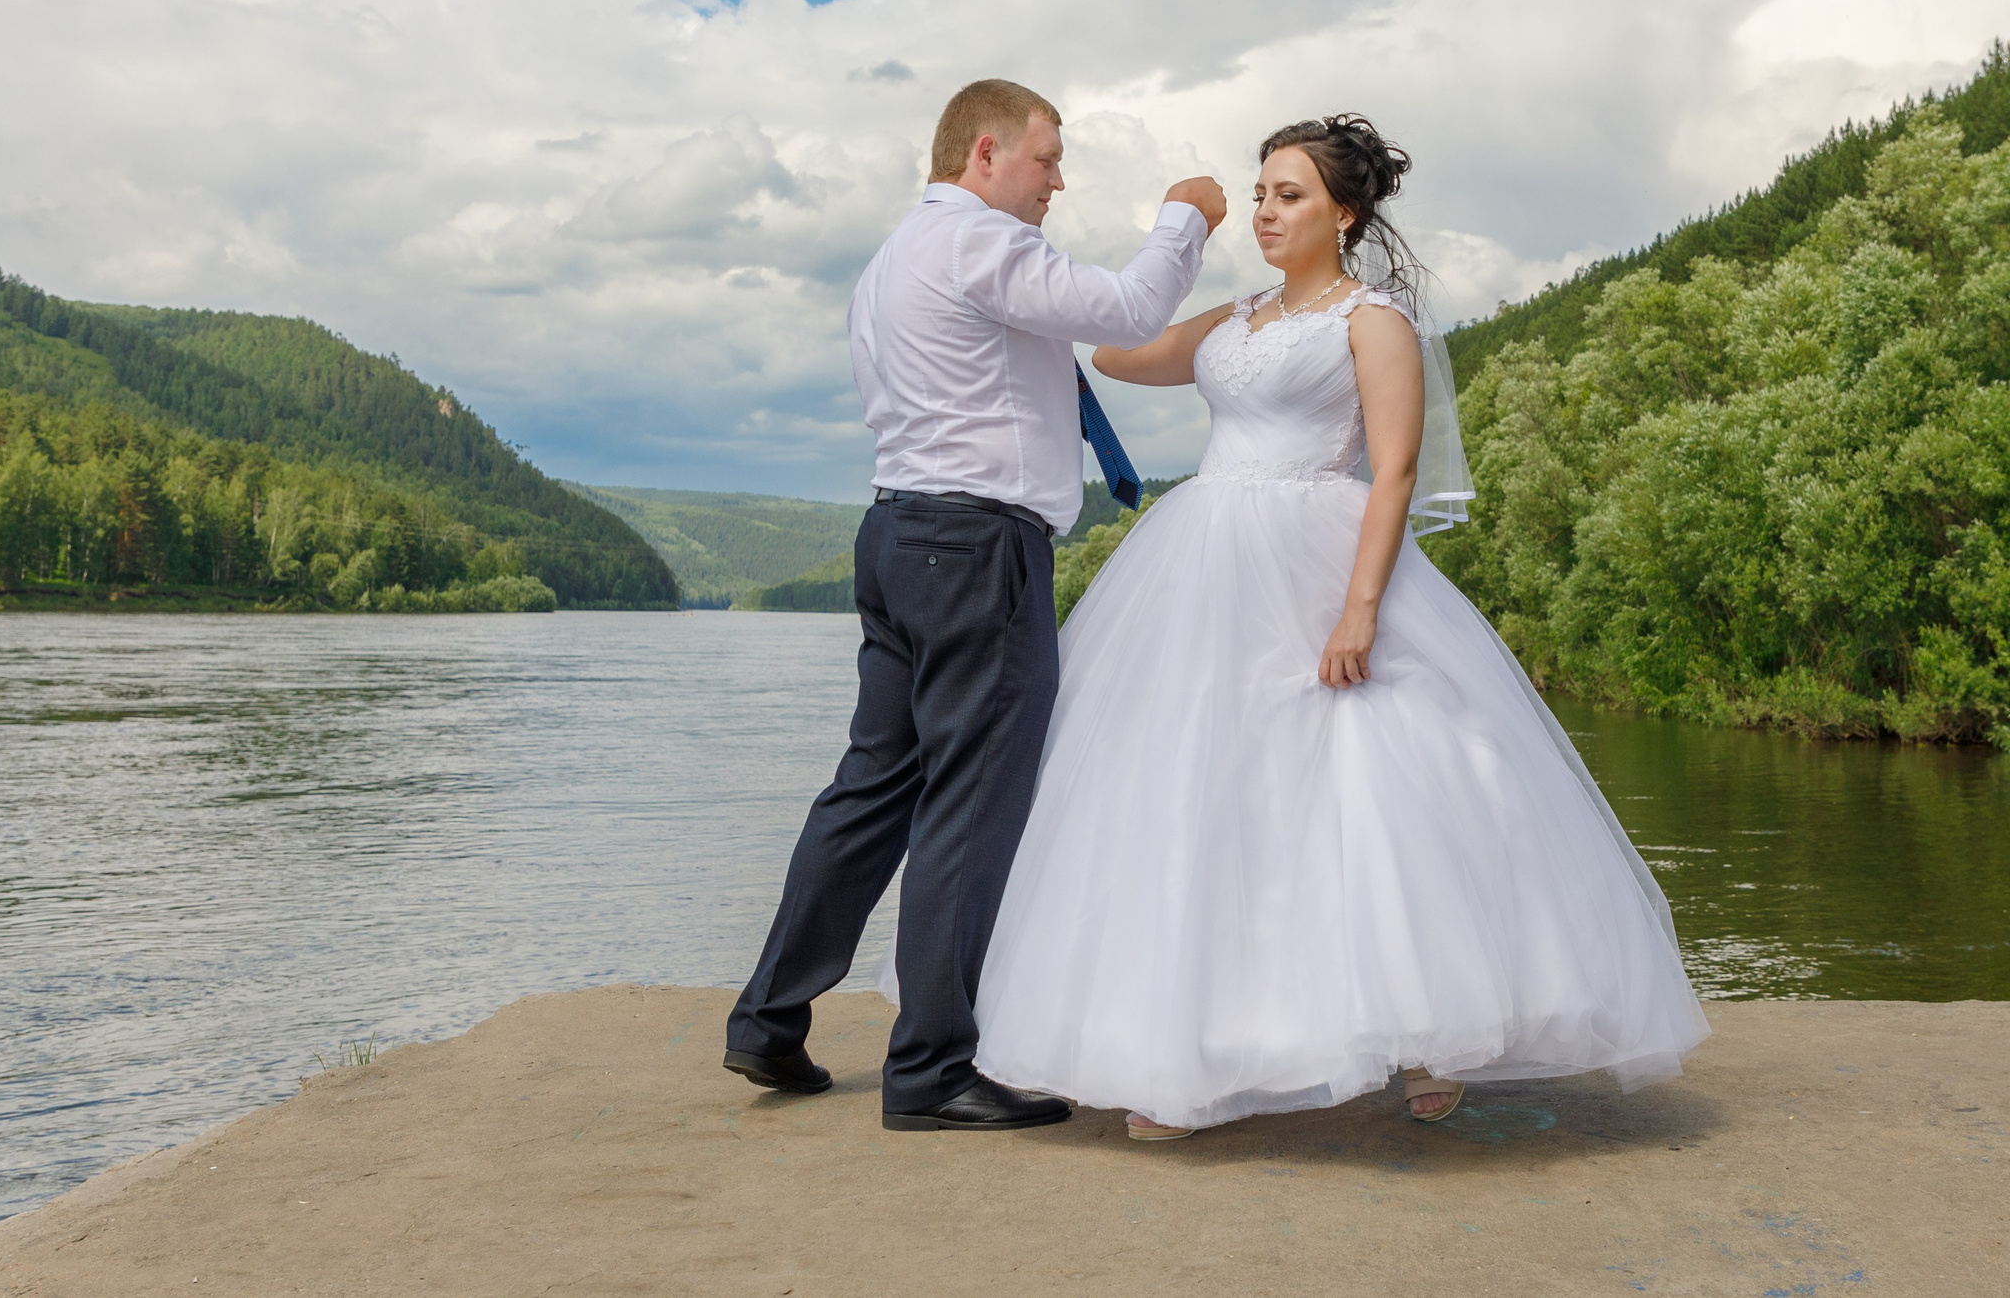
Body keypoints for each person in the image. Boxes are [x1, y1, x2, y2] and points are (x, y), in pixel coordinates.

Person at [971, 114, 1710, 1139]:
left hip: (1315, 558)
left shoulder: (1373, 323)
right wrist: (1173, 244)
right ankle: (1198, 1058)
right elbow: (1116, 351)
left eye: (1291, 196)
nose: (1267, 212)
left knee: (1373, 790)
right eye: (1262, 193)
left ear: (1345, 213)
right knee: (1200, 791)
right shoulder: (1236, 319)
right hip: (1198, 564)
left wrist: (1357, 608)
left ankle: (1424, 1033)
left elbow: (1394, 470)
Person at [723, 78, 1228, 1131]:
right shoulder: (983, 247)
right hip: (977, 547)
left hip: (900, 532)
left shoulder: (890, 261)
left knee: (872, 787)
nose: (1057, 180)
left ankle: (767, 1020)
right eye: (1048, 159)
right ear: (985, 153)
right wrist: (1187, 216)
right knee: (971, 799)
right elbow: (1130, 312)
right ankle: (931, 1071)